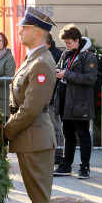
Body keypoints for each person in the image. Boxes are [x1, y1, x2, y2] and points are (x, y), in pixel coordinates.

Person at [4, 7, 57, 203]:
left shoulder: (42, 63)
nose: (19, 30)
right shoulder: (32, 59)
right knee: (37, 198)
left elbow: (30, 109)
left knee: (40, 199)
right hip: (30, 137)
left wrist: (5, 131)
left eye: (24, 28)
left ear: (38, 33)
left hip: (35, 137)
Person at [53, 24, 97, 179]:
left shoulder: (88, 55)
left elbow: (90, 78)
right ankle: (66, 165)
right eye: (65, 42)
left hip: (80, 103)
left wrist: (67, 75)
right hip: (66, 100)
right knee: (68, 134)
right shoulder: (67, 53)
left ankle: (85, 167)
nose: (67, 45)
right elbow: (60, 69)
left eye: (69, 42)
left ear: (77, 40)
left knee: (83, 134)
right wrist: (58, 72)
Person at [46, 33, 63, 165]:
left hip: (53, 95)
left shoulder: (58, 54)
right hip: (40, 95)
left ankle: (58, 152)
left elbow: (57, 75)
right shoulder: (36, 53)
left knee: (55, 125)